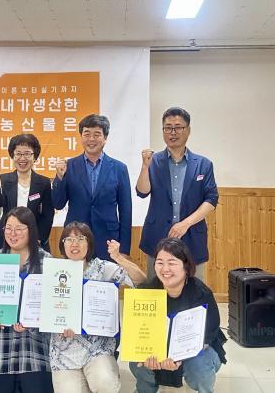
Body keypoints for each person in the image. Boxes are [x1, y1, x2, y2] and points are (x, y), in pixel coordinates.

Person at [50, 221, 146, 393]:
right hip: (63, 352)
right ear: (62, 244)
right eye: (69, 239)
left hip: (98, 348)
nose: (74, 244)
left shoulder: (102, 268)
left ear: (89, 243)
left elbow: (141, 281)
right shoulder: (53, 270)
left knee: (105, 384)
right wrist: (56, 324)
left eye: (81, 239)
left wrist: (118, 257)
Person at [129, 238, 227, 393]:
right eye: (160, 262)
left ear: (186, 266)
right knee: (137, 362)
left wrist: (179, 356)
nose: (165, 269)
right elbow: (138, 333)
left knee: (199, 366)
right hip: (160, 348)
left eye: (172, 263)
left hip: (196, 348)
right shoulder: (148, 291)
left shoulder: (201, 294)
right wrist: (145, 353)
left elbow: (208, 334)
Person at [136, 107, 218, 280]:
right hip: (158, 235)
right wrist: (144, 167)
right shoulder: (153, 161)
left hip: (191, 235)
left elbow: (211, 199)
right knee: (156, 288)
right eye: (167, 128)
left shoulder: (203, 164)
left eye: (178, 127)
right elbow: (142, 192)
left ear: (188, 130)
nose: (172, 132)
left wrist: (185, 224)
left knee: (194, 288)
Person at [0, 207, 53, 393]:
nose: (12, 234)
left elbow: (54, 309)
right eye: (8, 228)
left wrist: (34, 324)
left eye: (19, 228)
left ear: (31, 230)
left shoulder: (48, 262)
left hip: (33, 346)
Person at [52, 114, 132, 259]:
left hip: (108, 240)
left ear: (105, 138)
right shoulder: (69, 166)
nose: (91, 139)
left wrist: (124, 249)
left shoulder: (119, 168)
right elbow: (58, 204)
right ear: (81, 137)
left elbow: (126, 211)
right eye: (87, 134)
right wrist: (59, 178)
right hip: (75, 239)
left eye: (97, 134)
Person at [0, 133, 54, 252]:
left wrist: (40, 238)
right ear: (12, 156)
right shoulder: (3, 179)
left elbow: (48, 214)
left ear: (35, 157)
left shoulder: (43, 182)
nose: (22, 158)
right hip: (6, 236)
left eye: (27, 154)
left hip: (34, 236)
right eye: (18, 154)